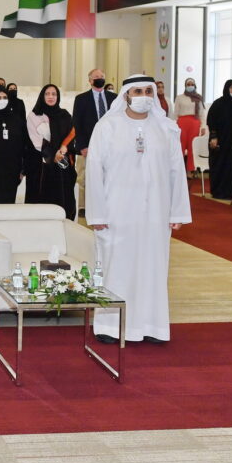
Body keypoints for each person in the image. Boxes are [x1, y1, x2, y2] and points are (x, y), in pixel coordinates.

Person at [86, 75, 191, 344]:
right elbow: (95, 171)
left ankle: (151, 326)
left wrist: (177, 212)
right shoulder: (107, 126)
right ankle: (110, 326)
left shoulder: (166, 128)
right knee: (116, 267)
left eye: (148, 90)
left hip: (156, 212)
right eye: (138, 91)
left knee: (153, 268)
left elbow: (176, 171)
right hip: (116, 212)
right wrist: (96, 213)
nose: (144, 95)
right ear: (126, 95)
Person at [25, 83, 77, 219]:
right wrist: (53, 154)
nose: (50, 97)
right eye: (47, 94)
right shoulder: (34, 116)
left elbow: (72, 135)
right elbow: (35, 140)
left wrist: (64, 149)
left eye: (54, 94)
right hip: (42, 167)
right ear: (42, 96)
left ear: (58, 97)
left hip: (62, 166)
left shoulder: (65, 115)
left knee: (63, 200)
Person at [71, 68, 116, 216]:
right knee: (84, 177)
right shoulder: (81, 99)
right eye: (96, 77)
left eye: (102, 76)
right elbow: (77, 124)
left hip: (110, 145)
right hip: (88, 145)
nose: (100, 79)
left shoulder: (114, 98)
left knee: (108, 176)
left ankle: (106, 204)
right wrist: (82, 146)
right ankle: (83, 206)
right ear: (90, 81)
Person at [205, 80, 232, 200]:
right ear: (227, 88)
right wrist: (213, 137)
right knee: (220, 165)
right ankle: (218, 191)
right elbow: (211, 121)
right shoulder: (218, 103)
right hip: (220, 141)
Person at [170, 77, 206, 174]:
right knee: (180, 146)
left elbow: (202, 113)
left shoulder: (198, 97)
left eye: (192, 84)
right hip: (182, 123)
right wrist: (174, 127)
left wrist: (203, 127)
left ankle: (190, 170)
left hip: (194, 123)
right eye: (188, 84)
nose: (190, 86)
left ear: (195, 86)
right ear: (185, 86)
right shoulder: (179, 97)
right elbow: (175, 113)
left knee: (192, 147)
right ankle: (179, 170)